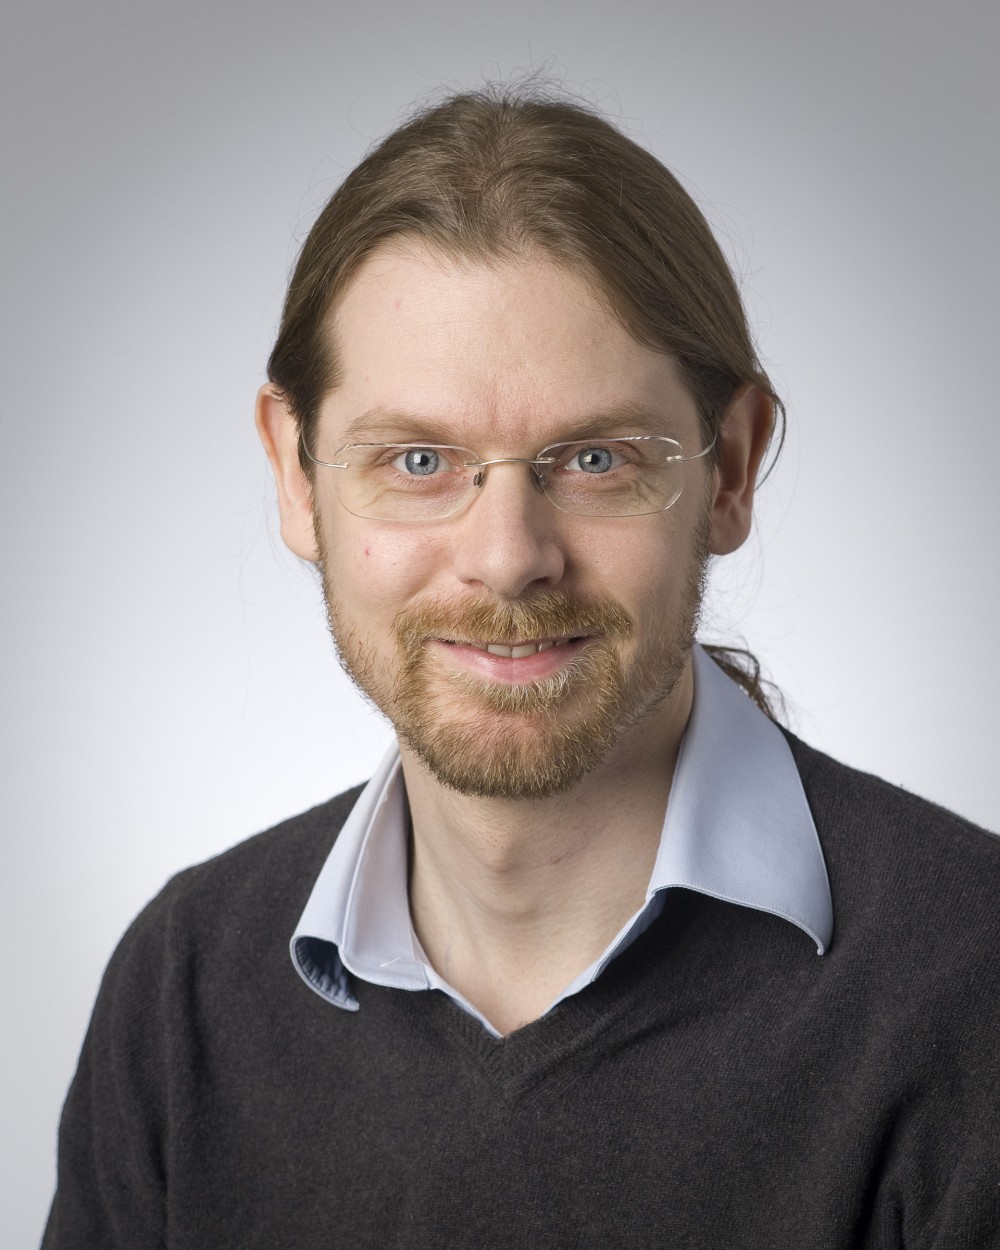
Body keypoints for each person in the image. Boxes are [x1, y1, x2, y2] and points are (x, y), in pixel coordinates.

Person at [43, 85, 1000, 1249]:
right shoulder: (183, 989)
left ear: (731, 469)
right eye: (418, 459)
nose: (507, 558)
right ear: (296, 476)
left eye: (595, 458)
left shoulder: (972, 986)